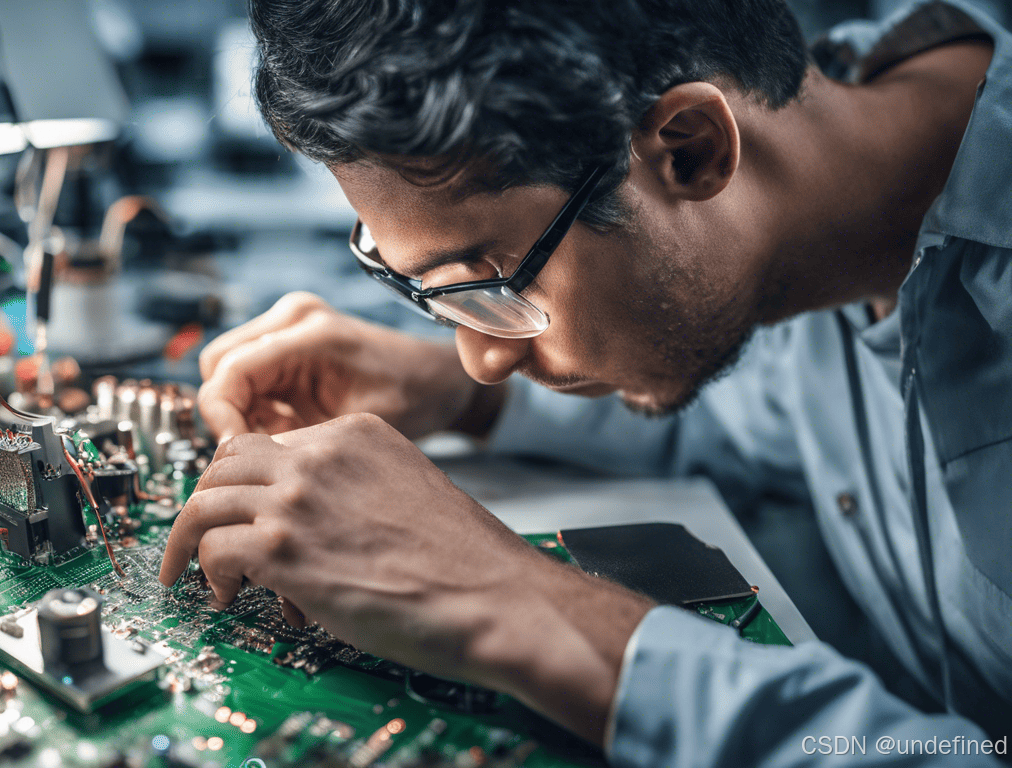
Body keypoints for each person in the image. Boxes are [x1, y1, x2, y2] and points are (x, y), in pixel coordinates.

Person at [156, 0, 1012, 764]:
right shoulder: (806, 204)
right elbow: (746, 422)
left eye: (491, 282)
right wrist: (456, 393)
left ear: (690, 150)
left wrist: (512, 602)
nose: (480, 352)